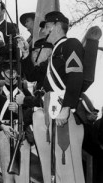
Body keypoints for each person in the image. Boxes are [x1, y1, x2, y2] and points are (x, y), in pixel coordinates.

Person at [40, 11, 85, 183]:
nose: (43, 31)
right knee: (59, 166)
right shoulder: (55, 52)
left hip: (66, 113)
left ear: (57, 26)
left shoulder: (70, 44)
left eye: (46, 27)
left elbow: (75, 75)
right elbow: (34, 74)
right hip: (54, 112)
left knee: (68, 167)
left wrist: (66, 108)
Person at [0, 60, 30, 183]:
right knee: (6, 173)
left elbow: (31, 112)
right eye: (7, 72)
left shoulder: (24, 92)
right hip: (3, 131)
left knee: (23, 174)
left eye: (14, 72)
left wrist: (18, 111)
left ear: (17, 74)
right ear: (2, 73)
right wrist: (2, 127)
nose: (11, 75)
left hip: (19, 130)